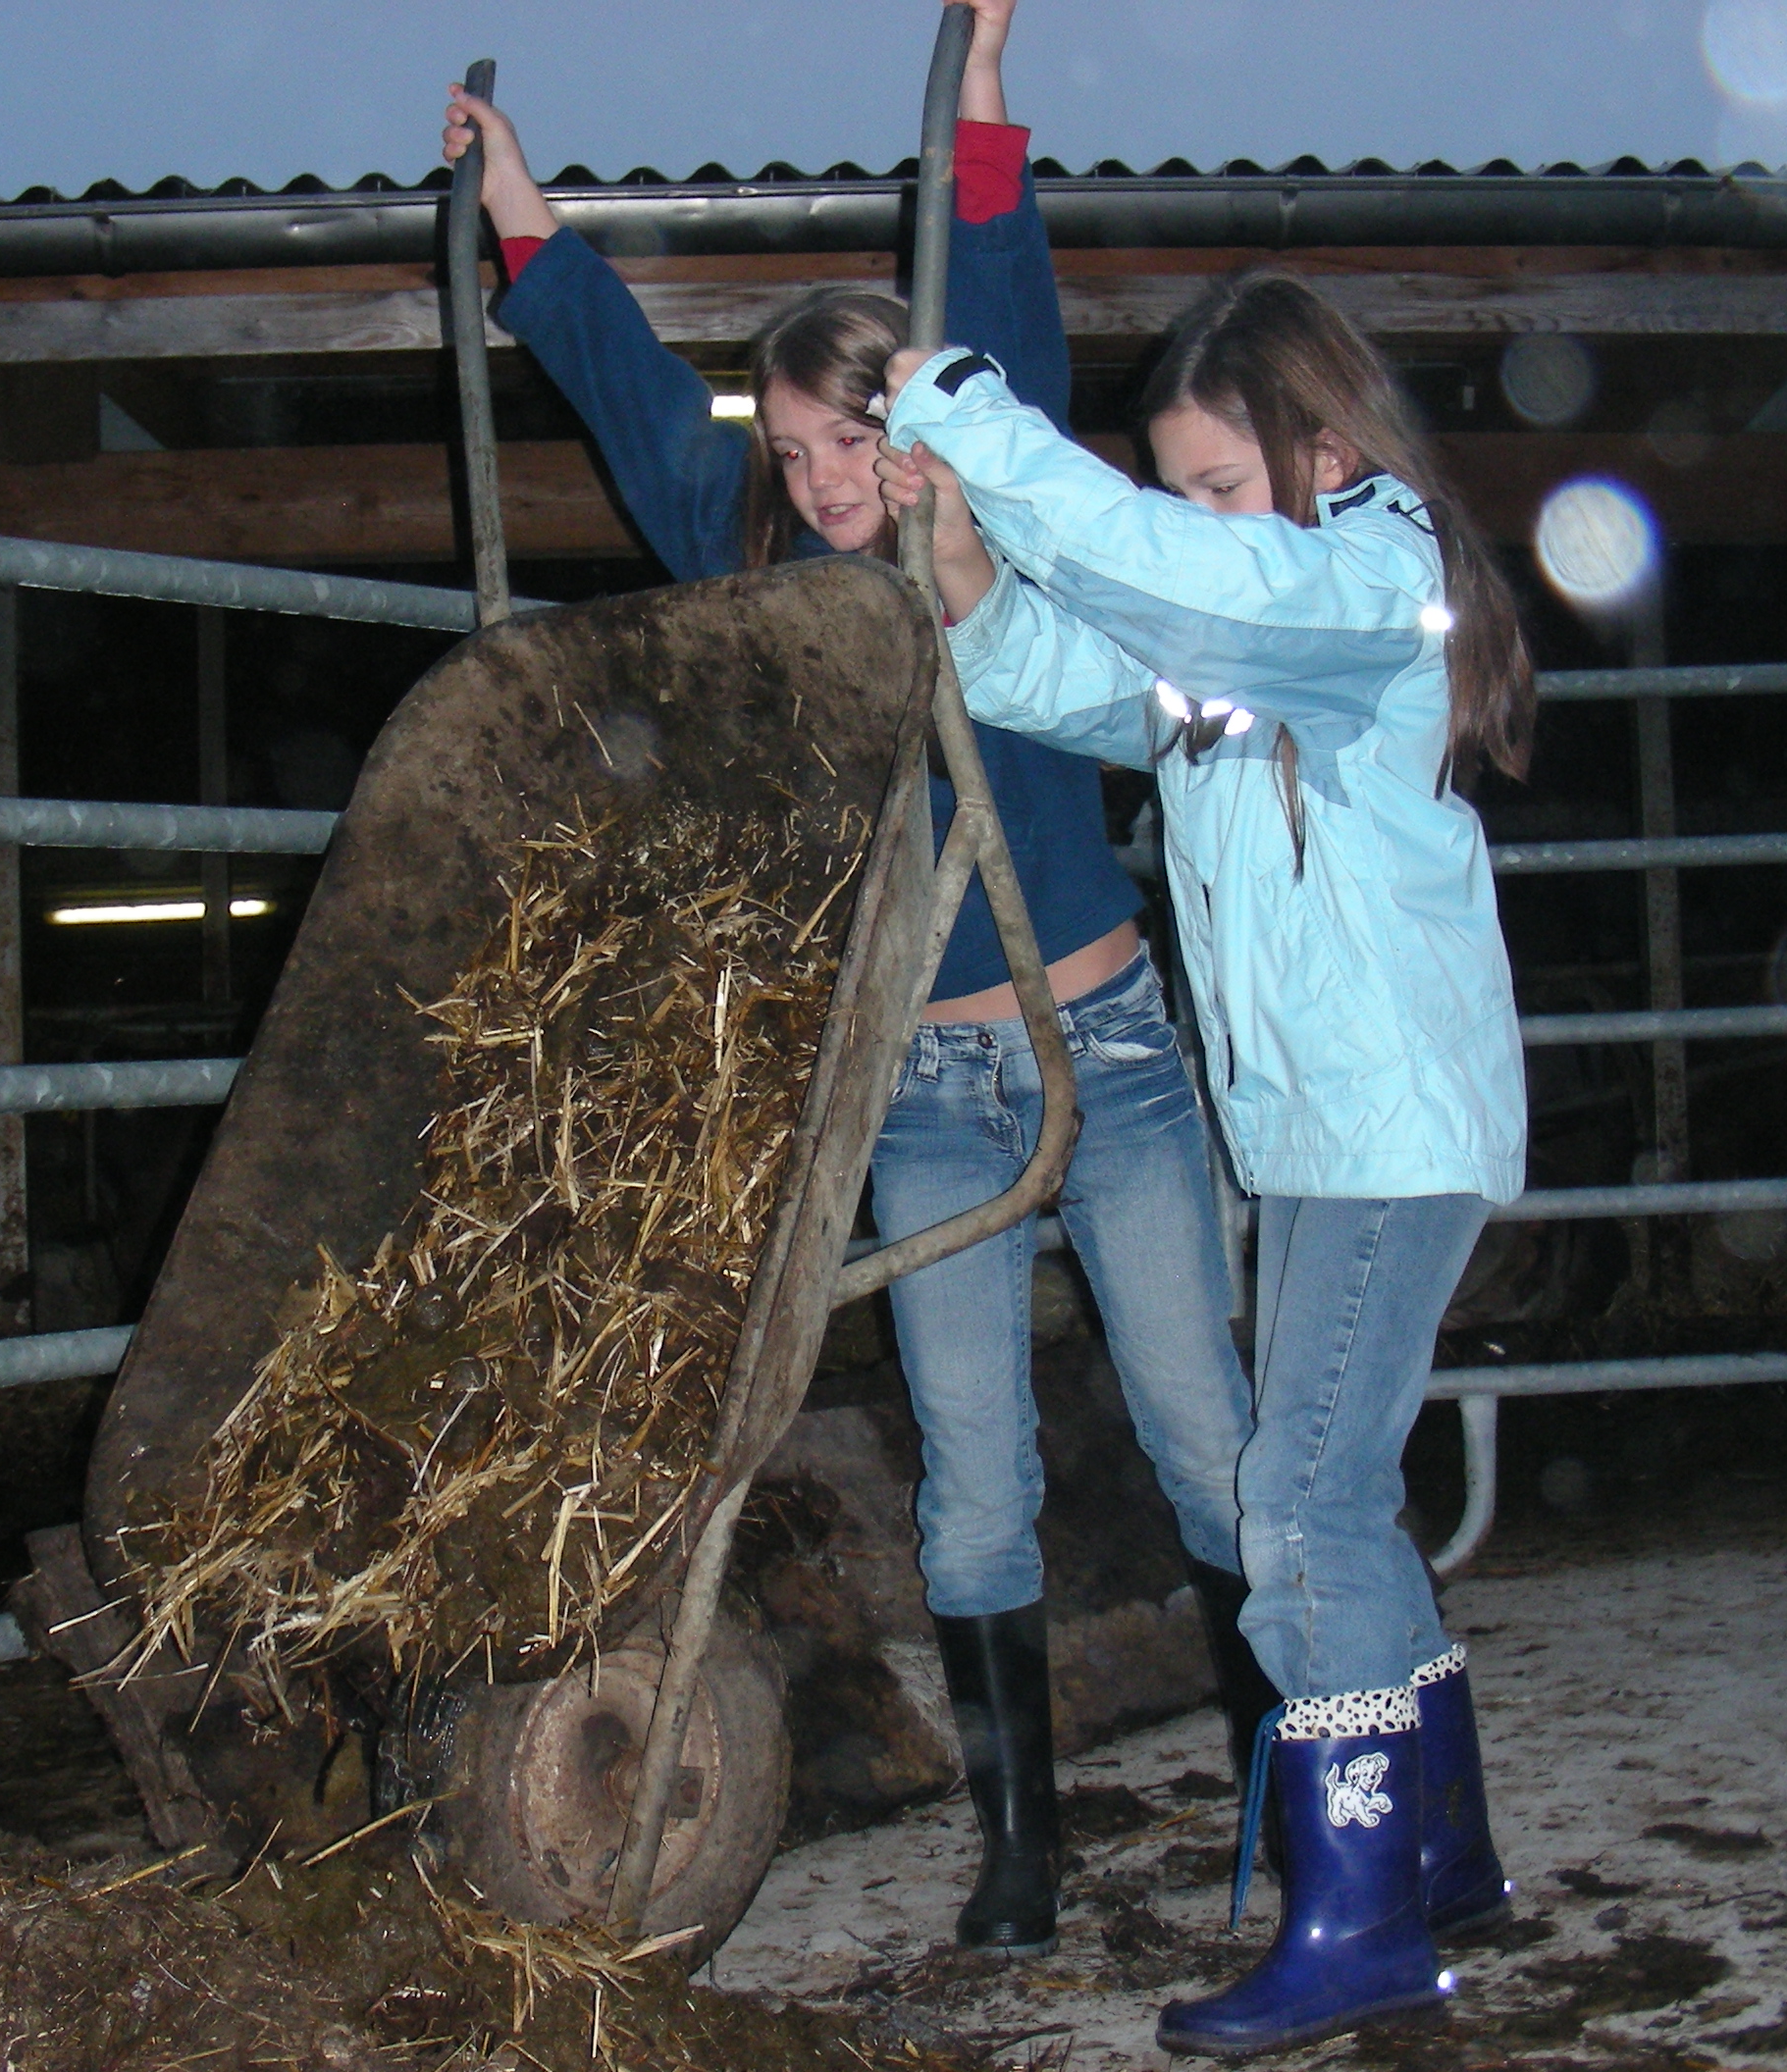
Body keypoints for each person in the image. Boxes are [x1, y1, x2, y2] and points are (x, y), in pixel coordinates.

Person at [444, 0, 1260, 1958]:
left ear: (917, 428)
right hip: (919, 1092)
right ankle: (1021, 1857)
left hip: (1114, 1050)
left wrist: (978, 104)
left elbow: (1005, 325)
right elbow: (643, 410)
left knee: (1207, 1444)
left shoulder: (1008, 549)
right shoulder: (782, 603)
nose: (825, 476)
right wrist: (524, 221)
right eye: (799, 445)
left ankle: (1290, 1803)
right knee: (969, 1489)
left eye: (856, 434)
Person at [875, 270, 1528, 2055]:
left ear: (1325, 447)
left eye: (1222, 487)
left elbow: (1200, 596)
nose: (1196, 527)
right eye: (1176, 495)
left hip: (1391, 1128)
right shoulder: (1262, 619)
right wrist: (973, 590)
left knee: (1293, 1503)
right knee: (1339, 1493)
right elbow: (1108, 687)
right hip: (1324, 1131)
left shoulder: (1368, 571)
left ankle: (1361, 1928)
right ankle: (1441, 1854)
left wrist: (982, 429)